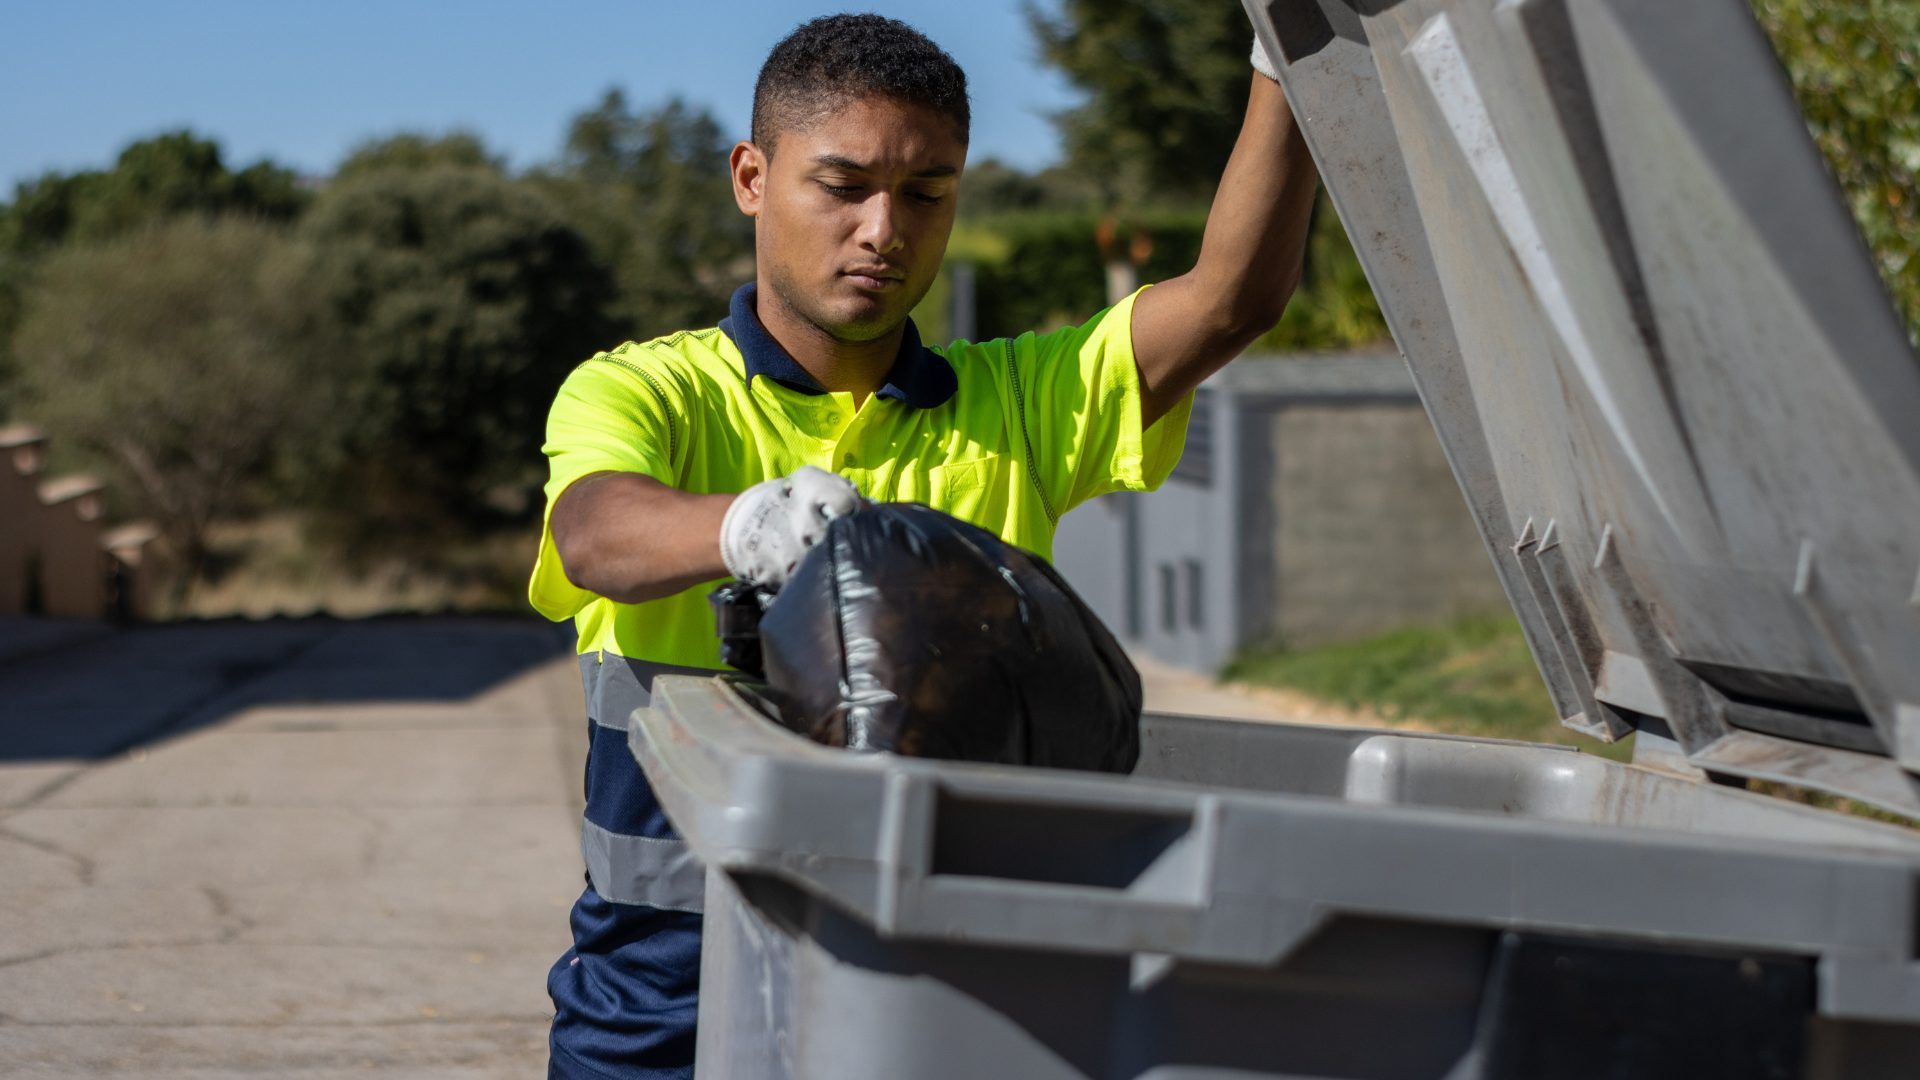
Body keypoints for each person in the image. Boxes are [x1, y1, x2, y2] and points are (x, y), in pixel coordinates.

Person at [530, 13, 1318, 1079]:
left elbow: (1231, 301)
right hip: (661, 1006)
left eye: (928, 193)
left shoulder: (1021, 404)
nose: (883, 228)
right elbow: (593, 534)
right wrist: (741, 525)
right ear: (752, 177)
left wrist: (1289, 57)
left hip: (933, 1002)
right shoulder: (646, 390)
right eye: (843, 185)